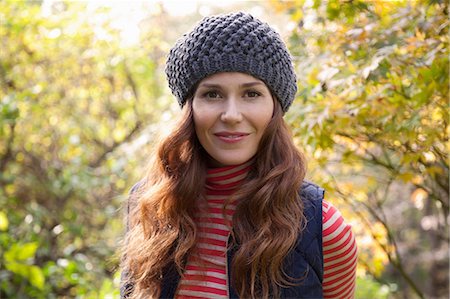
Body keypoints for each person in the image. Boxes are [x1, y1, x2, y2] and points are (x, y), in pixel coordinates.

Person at [120, 12, 357, 299]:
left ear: (274, 108)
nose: (231, 115)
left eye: (252, 94)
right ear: (189, 108)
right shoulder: (150, 209)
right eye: (212, 94)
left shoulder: (322, 227)